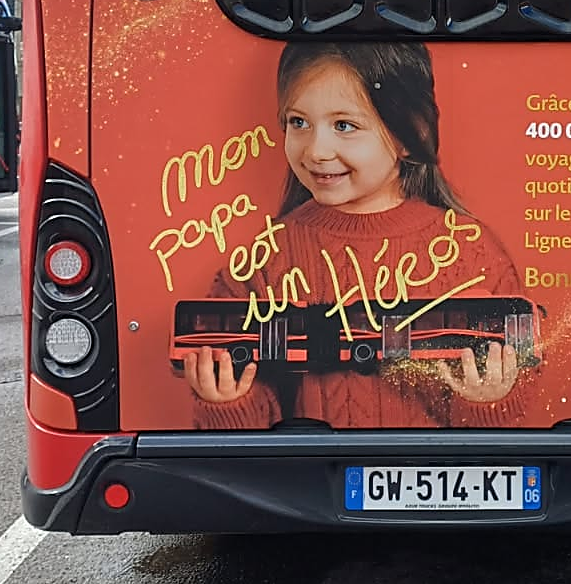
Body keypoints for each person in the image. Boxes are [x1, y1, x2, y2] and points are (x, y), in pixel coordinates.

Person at [182, 40, 528, 429]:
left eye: (344, 126)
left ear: (408, 136)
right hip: (306, 481)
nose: (316, 149)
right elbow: (254, 448)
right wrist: (229, 403)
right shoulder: (269, 255)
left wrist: (487, 403)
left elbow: (497, 443)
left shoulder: (472, 252)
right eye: (298, 123)